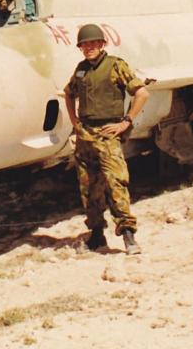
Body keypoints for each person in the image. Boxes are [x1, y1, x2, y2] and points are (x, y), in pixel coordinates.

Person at [64, 24, 149, 255]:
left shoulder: (115, 66)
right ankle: (97, 234)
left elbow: (141, 93)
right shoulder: (81, 69)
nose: (89, 48)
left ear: (102, 44)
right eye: (84, 45)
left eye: (93, 44)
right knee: (89, 187)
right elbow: (69, 93)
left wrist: (126, 122)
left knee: (115, 183)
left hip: (107, 134)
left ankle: (128, 235)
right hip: (85, 137)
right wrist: (74, 122)